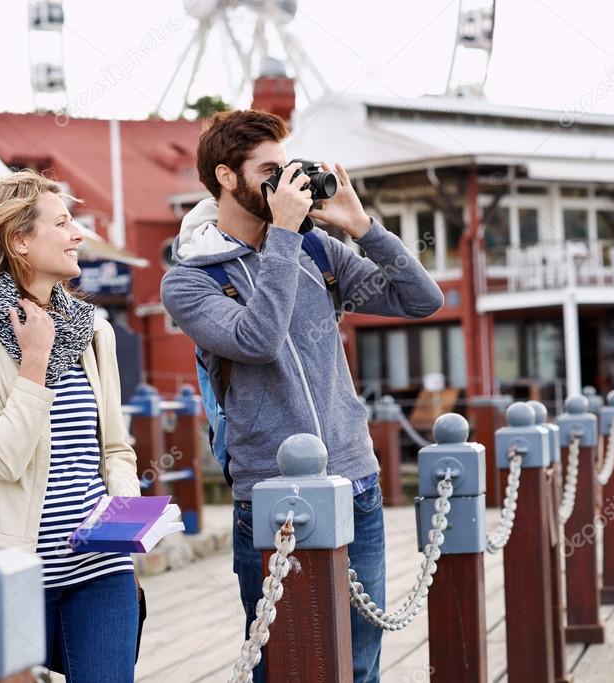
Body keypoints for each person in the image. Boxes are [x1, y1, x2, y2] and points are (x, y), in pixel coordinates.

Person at [161, 110, 444, 682]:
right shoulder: (190, 280)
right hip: (271, 497)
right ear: (225, 177)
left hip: (355, 481)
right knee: (282, 663)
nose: (286, 181)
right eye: (269, 171)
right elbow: (257, 341)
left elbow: (422, 301)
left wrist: (363, 228)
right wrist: (285, 237)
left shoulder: (319, 252)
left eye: (288, 166)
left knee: (359, 665)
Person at [0, 170, 142, 682]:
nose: (78, 235)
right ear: (20, 240)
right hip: (9, 572)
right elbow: (0, 456)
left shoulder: (95, 331)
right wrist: (34, 362)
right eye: (63, 223)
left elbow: (115, 449)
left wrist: (127, 521)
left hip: (101, 571)